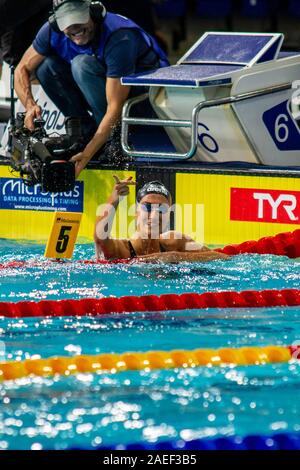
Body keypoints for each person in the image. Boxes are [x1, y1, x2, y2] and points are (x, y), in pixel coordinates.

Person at [14, 0, 169, 178]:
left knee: (82, 65)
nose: (75, 28)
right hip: (106, 93)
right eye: (67, 23)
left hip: (146, 101)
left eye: (80, 19)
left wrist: (88, 154)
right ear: (57, 24)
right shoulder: (50, 31)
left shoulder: (120, 37)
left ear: (95, 13)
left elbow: (114, 107)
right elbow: (21, 69)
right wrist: (29, 105)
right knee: (46, 66)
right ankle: (81, 132)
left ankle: (114, 139)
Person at [94, 176, 230, 262]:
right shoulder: (121, 249)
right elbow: (100, 238)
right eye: (147, 207)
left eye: (161, 209)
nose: (154, 215)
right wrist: (114, 198)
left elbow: (220, 258)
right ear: (136, 212)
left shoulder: (175, 242)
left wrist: (174, 257)